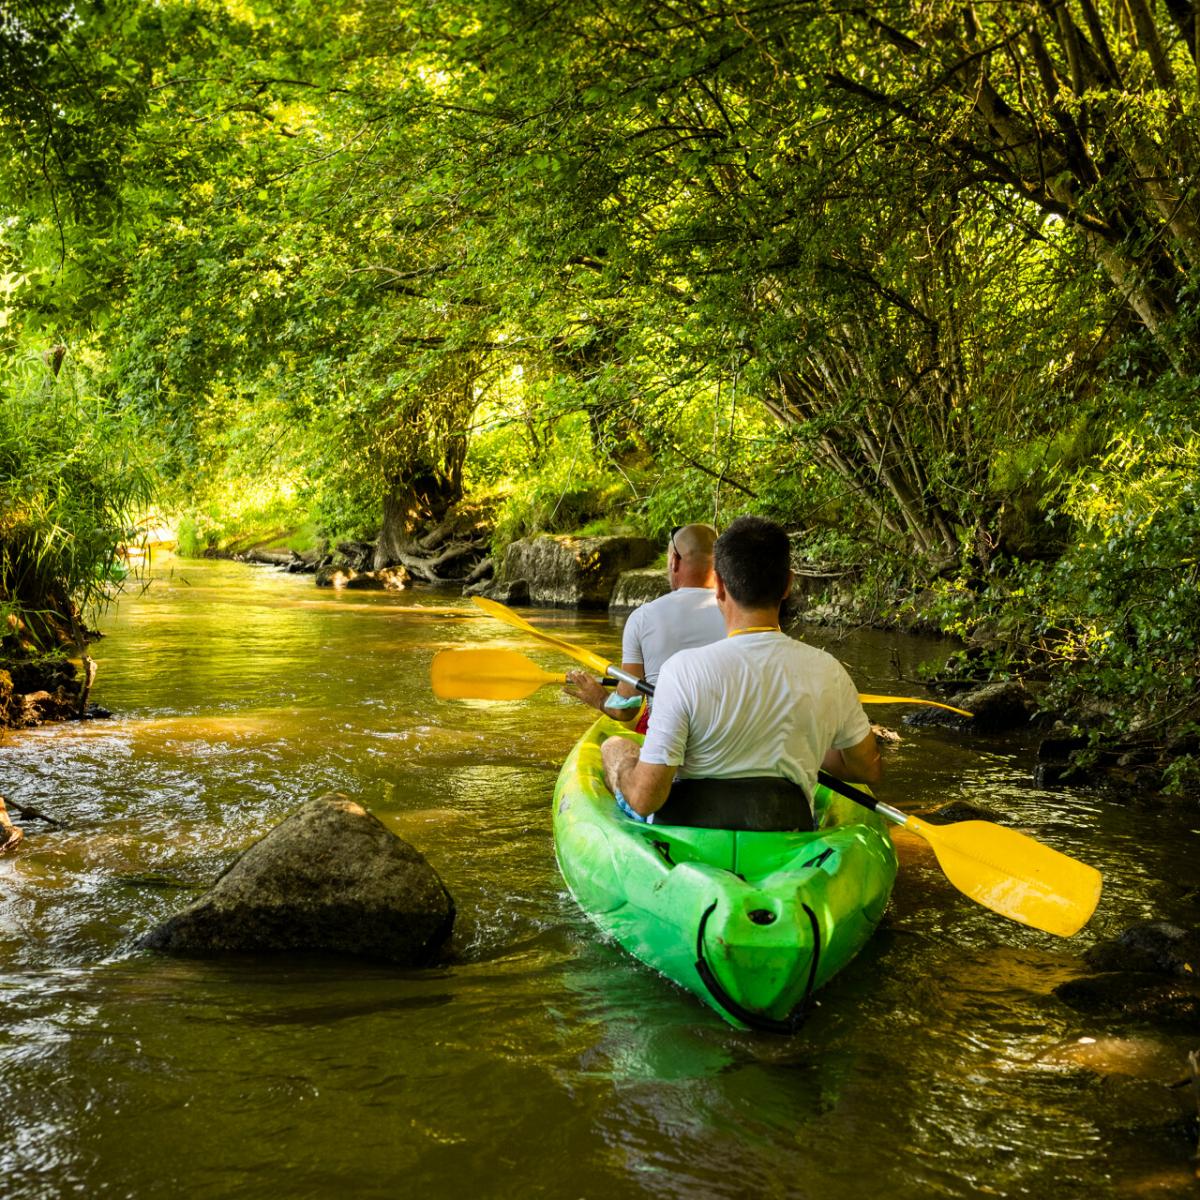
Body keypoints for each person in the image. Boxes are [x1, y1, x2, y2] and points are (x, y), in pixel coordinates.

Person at [600, 515, 881, 830]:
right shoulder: (829, 671)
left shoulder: (679, 671)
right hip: (784, 826)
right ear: (787, 584)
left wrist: (622, 763)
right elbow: (865, 769)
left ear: (719, 585)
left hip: (692, 830)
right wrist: (808, 740)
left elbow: (645, 798)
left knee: (614, 747)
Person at [564, 523, 726, 731]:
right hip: (731, 738)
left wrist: (600, 698)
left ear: (675, 561)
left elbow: (627, 708)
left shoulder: (643, 617)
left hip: (672, 742)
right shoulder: (741, 612)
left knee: (612, 747)